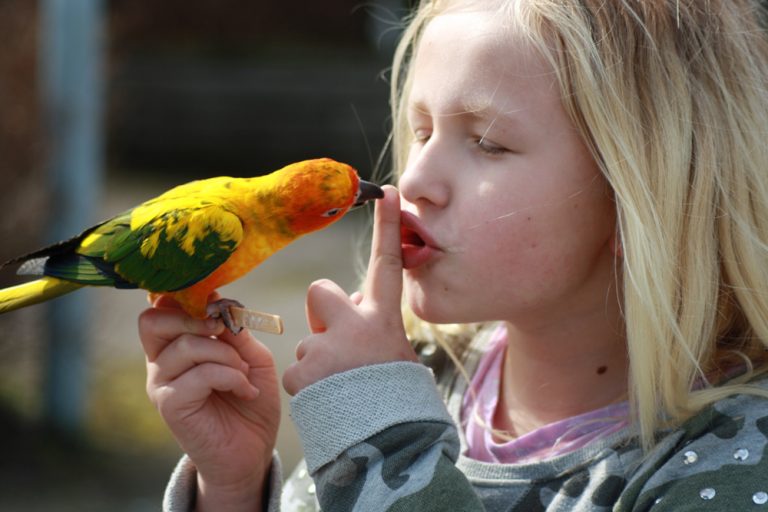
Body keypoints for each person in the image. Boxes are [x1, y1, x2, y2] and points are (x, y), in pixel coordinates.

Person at [138, 0, 768, 510]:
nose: (412, 180)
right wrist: (234, 488)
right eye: (421, 132)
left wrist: (387, 442)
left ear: (647, 197)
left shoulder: (730, 462)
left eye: (488, 143)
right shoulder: (428, 377)